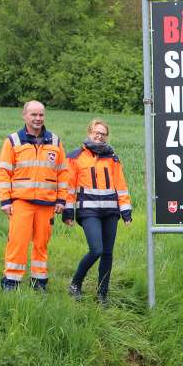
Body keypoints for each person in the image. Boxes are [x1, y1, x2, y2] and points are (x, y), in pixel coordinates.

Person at [0, 101, 68, 291]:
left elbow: (63, 173)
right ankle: (11, 282)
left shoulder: (55, 141)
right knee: (17, 243)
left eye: (41, 115)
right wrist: (5, 200)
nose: (38, 118)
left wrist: (62, 199)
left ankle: (39, 283)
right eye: (34, 115)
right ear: (24, 116)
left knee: (41, 244)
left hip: (47, 203)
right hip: (21, 202)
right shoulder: (13, 141)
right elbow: (3, 172)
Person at [63, 119, 132, 304]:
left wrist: (126, 212)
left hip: (110, 211)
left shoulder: (113, 158)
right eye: (97, 132)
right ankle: (75, 284)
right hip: (89, 211)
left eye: (103, 133)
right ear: (89, 132)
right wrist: (68, 212)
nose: (100, 136)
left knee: (108, 253)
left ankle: (102, 294)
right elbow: (69, 187)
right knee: (96, 250)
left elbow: (121, 186)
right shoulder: (75, 157)